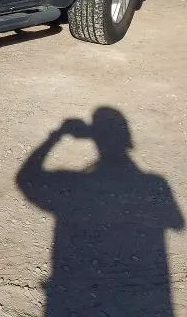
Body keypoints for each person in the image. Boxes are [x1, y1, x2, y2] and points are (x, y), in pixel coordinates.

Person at [16, 107, 183, 316]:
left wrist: (55, 136)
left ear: (95, 138)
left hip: (77, 296)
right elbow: (177, 223)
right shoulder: (154, 184)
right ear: (127, 140)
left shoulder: (75, 185)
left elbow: (26, 179)